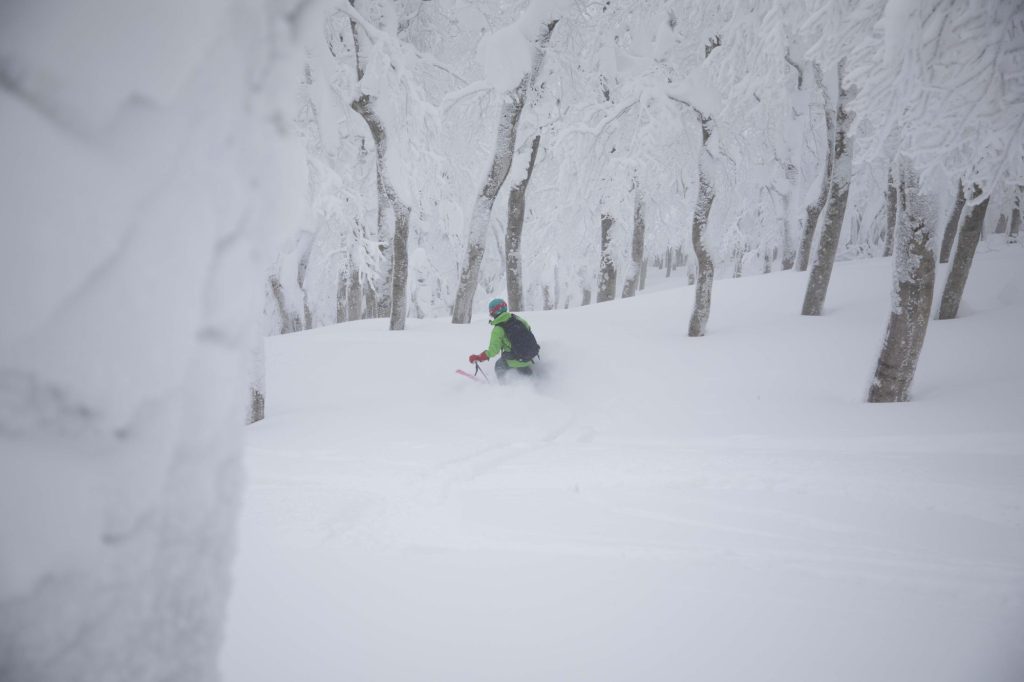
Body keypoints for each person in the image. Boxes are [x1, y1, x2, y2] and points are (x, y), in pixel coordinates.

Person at [468, 298, 540, 382]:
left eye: (491, 311)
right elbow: (528, 329)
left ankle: (502, 386)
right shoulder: (517, 318)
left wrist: (479, 357)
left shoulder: (498, 329)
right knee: (522, 366)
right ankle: (533, 380)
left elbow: (493, 351)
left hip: (515, 359)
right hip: (530, 356)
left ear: (493, 312)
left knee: (499, 365)